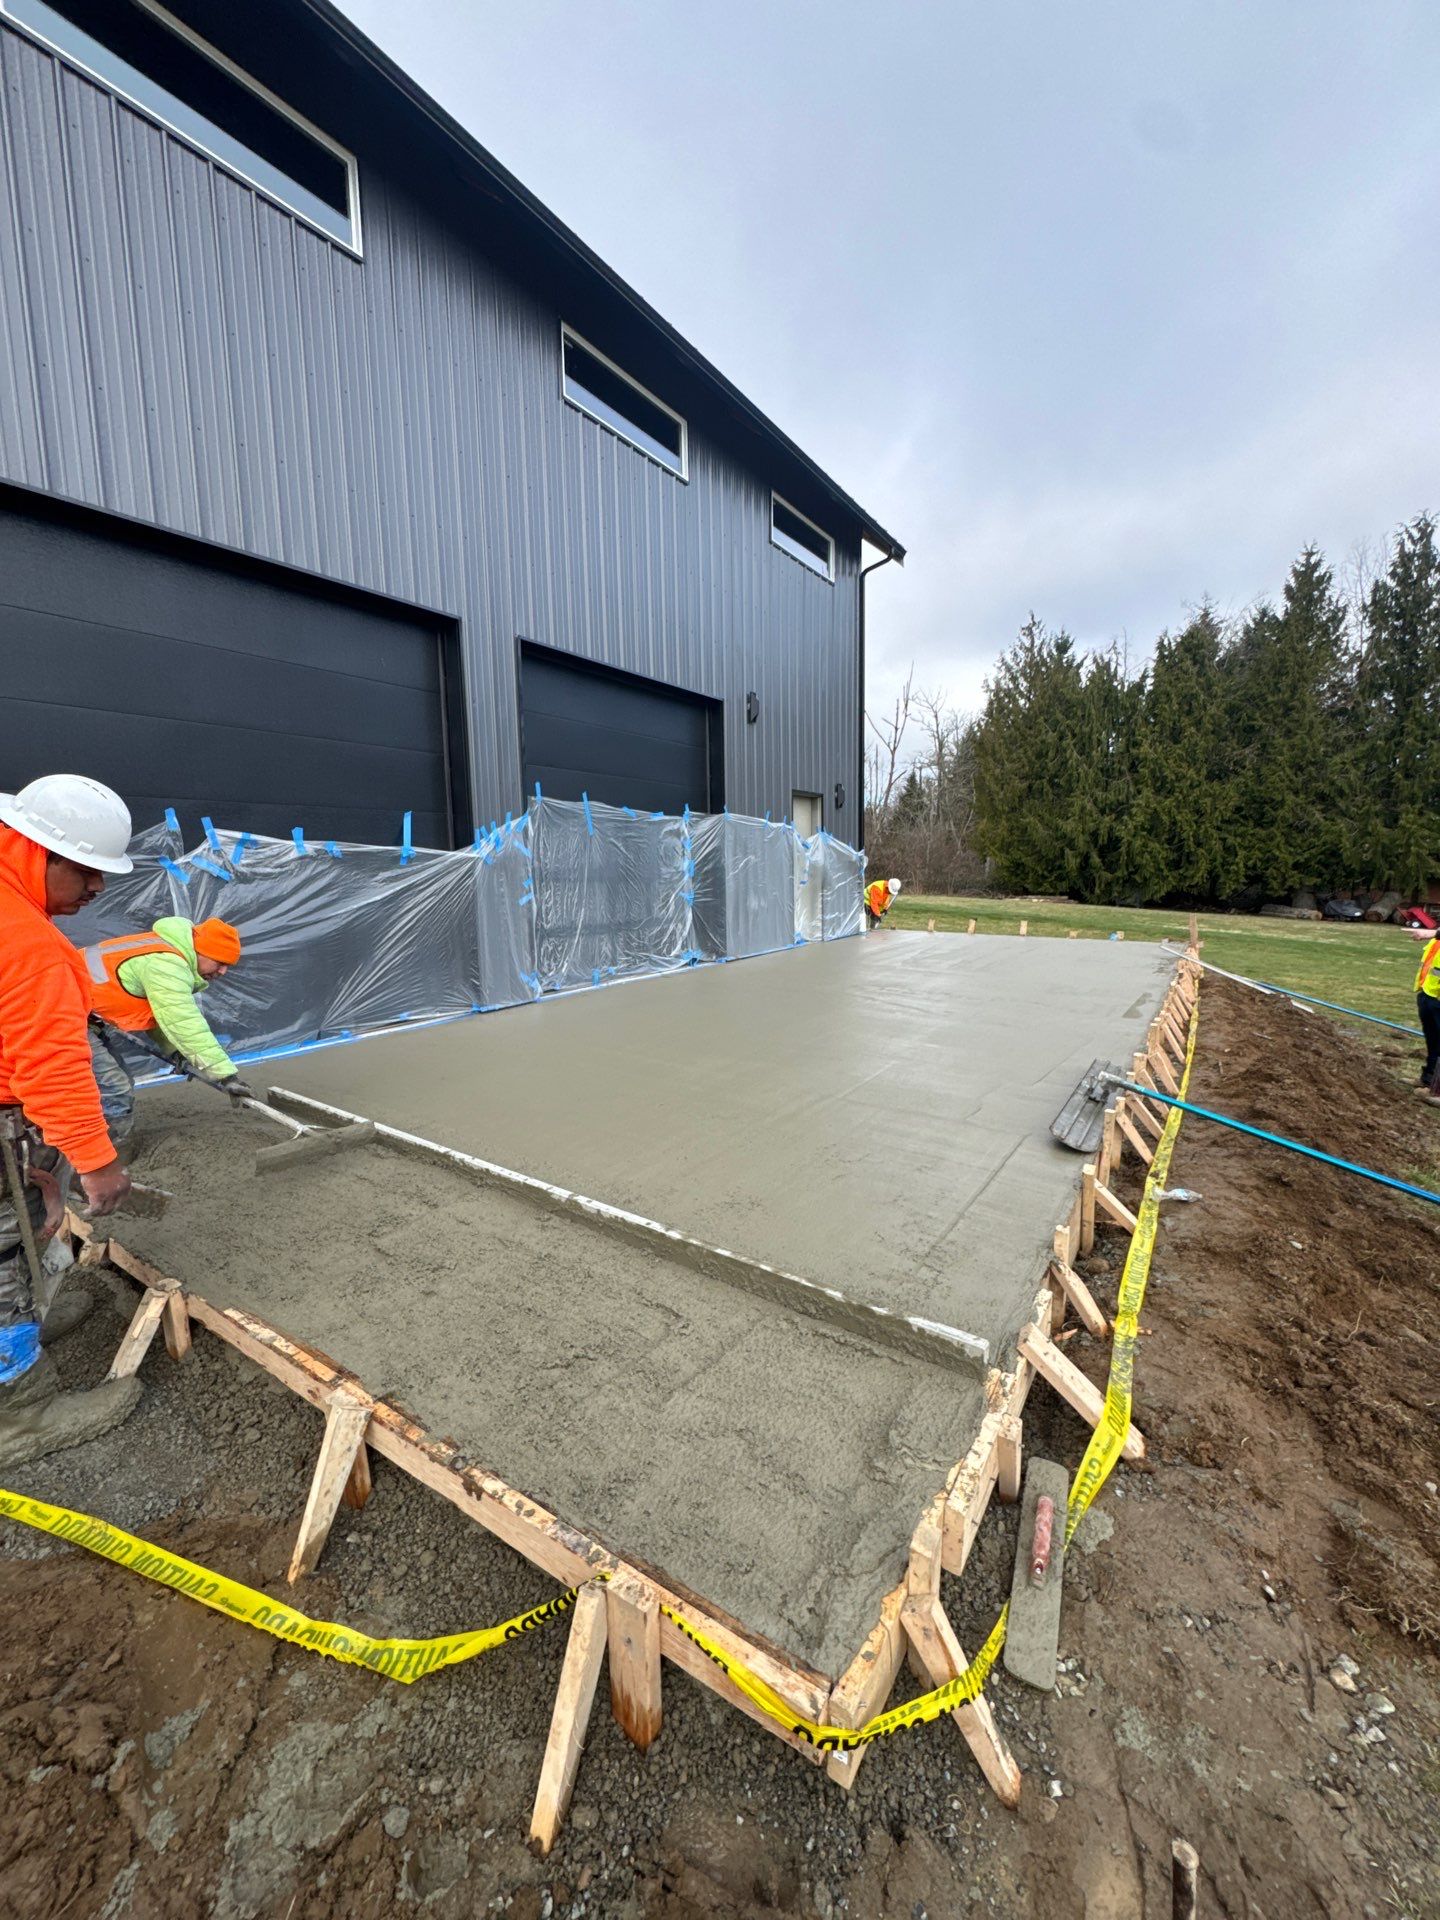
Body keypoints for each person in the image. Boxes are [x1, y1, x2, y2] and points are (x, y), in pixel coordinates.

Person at [0, 775, 143, 1468]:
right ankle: (19, 1417)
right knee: (3, 1254)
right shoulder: (30, 943)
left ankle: (26, 1322)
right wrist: (94, 1158)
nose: (96, 891)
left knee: (24, 1237)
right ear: (37, 852)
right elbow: (51, 1062)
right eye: (86, 872)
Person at [86, 917, 252, 1146]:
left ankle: (99, 1139)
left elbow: (159, 1017)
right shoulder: (166, 964)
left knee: (116, 1082)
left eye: (228, 967)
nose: (222, 972)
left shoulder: (164, 951)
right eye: (219, 962)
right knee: (114, 1086)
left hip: (79, 1013)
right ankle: (109, 1155)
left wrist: (177, 1053)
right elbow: (182, 1021)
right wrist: (225, 1075)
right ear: (201, 952)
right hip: (55, 1012)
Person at [1414, 927, 1440, 1098]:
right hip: (1429, 992)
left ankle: (1437, 1091)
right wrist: (1429, 934)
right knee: (1433, 1039)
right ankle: (1428, 1079)